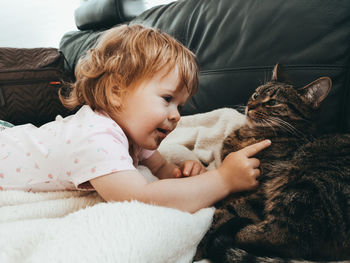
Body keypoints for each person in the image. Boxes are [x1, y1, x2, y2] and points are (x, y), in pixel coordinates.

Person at [0, 24, 270, 213]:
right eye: (167, 99)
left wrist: (190, 176)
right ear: (117, 92)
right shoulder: (96, 137)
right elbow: (142, 199)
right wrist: (222, 180)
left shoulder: (133, 135)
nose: (176, 116)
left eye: (181, 106)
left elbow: (165, 173)